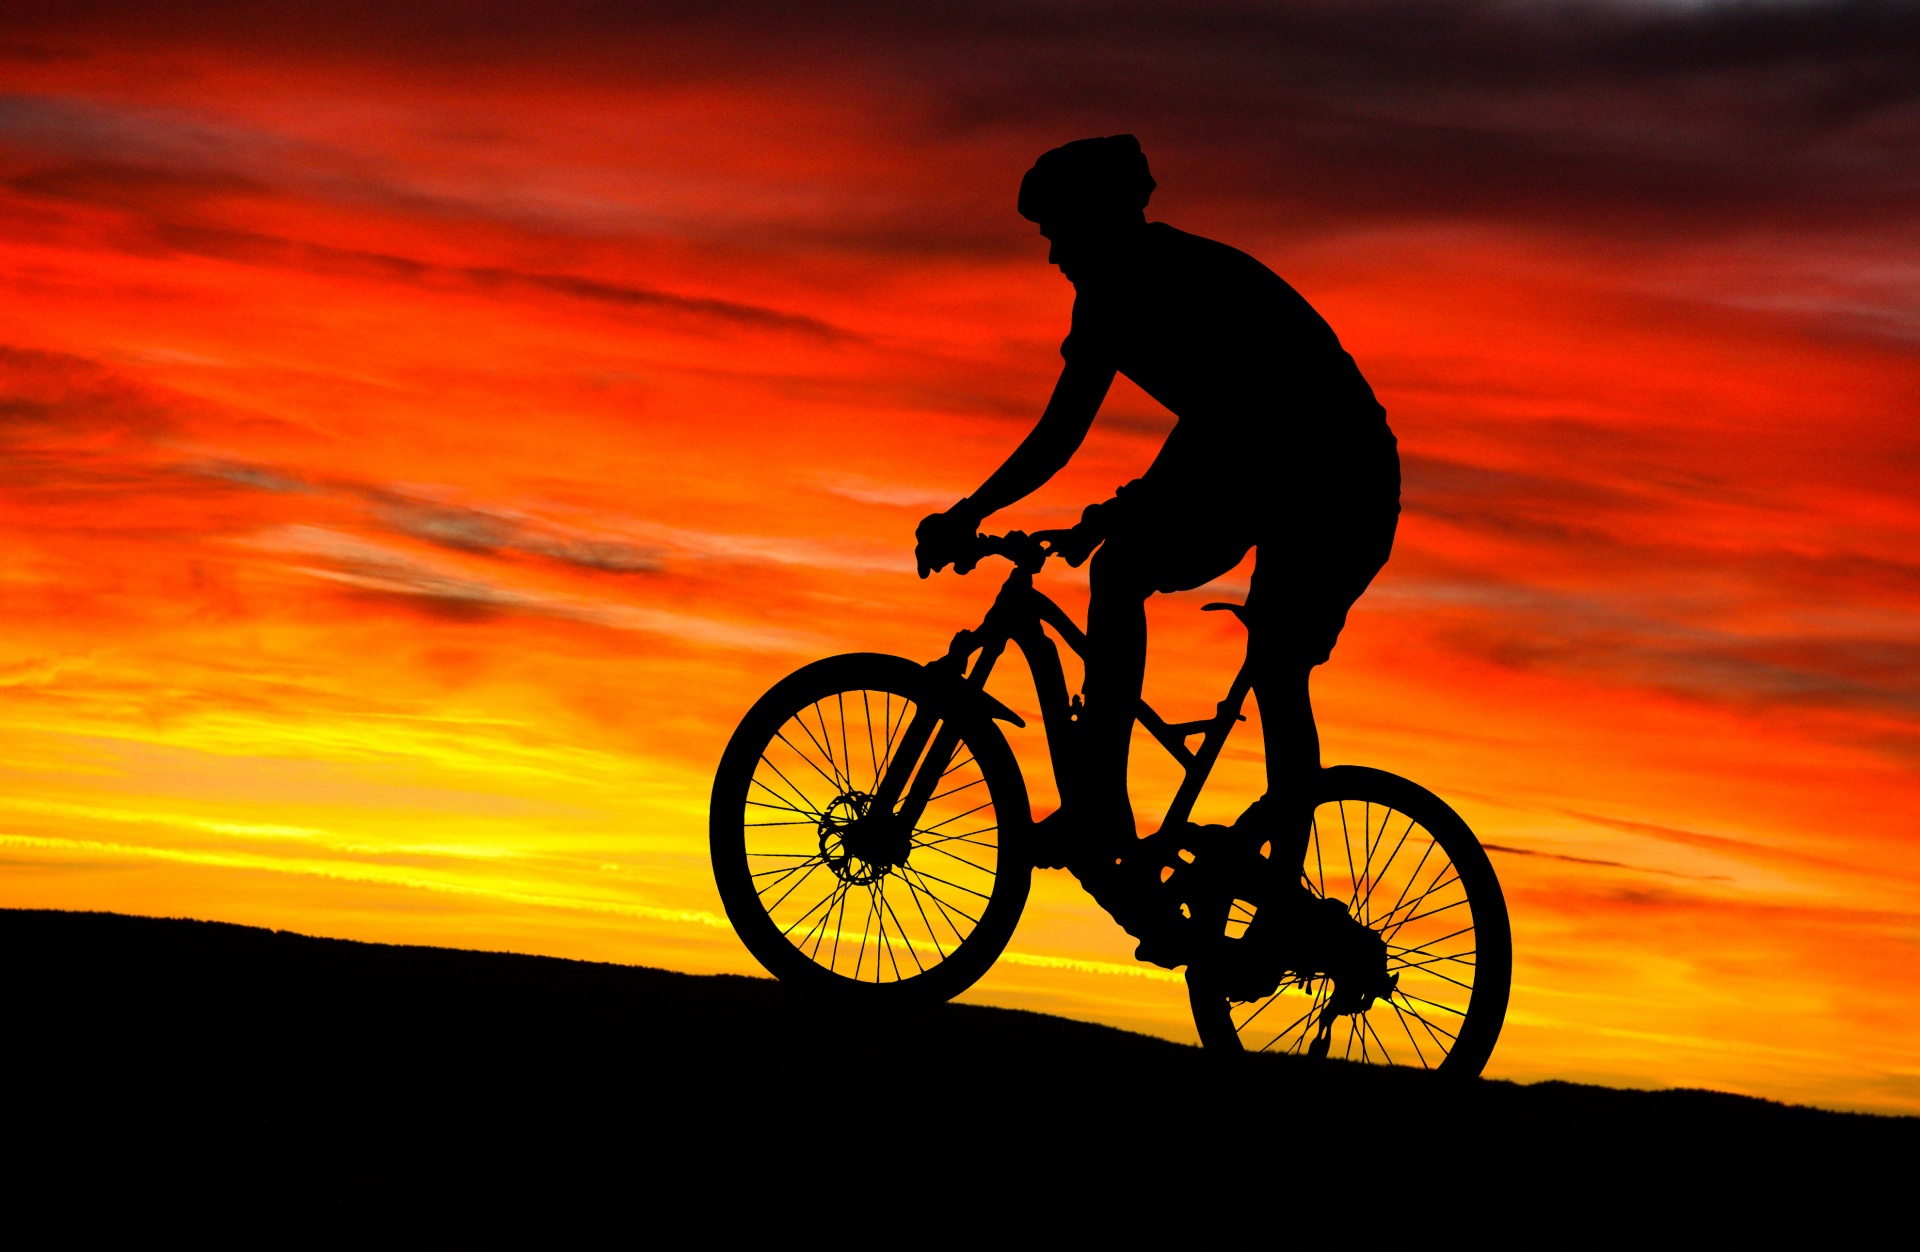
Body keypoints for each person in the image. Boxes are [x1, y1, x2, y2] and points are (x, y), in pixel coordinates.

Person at [915, 135, 1399, 969]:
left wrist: (974, 513)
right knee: (1126, 567)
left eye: (1060, 232)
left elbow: (1232, 415)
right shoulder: (1117, 291)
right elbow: (1107, 433)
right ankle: (1107, 810)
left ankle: (1266, 891)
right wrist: (1104, 508)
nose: (1056, 254)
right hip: (1276, 467)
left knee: (1263, 658)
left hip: (1335, 476)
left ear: (1099, 221)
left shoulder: (1157, 278)